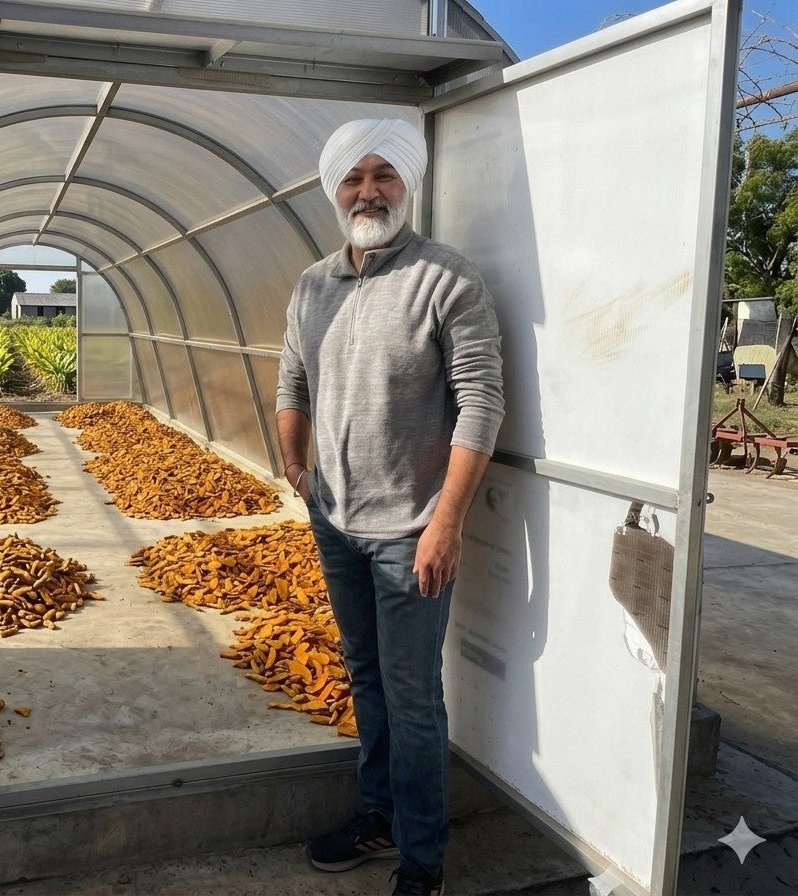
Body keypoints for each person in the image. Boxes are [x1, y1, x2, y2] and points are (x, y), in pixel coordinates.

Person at [275, 118, 504, 896]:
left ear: (407, 184)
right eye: (354, 177)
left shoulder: (446, 279)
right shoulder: (313, 285)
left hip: (411, 533)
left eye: (384, 175)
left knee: (412, 699)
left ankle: (423, 860)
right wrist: (296, 467)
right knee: (366, 676)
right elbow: (292, 380)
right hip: (335, 522)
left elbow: (481, 404)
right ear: (334, 190)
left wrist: (447, 522)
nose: (368, 191)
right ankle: (379, 816)